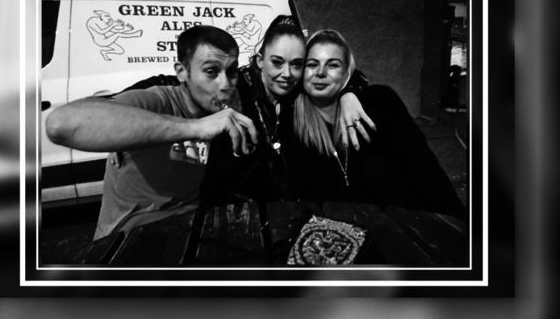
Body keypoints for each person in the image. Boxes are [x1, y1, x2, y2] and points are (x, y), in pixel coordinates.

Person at [122, 15, 376, 204]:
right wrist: (125, 114)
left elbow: (343, 73)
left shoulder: (295, 88)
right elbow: (170, 82)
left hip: (280, 208)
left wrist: (350, 94)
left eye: (297, 64)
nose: (287, 73)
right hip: (228, 208)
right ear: (260, 61)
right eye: (277, 62)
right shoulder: (237, 84)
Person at [46, 25, 258, 240]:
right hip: (129, 239)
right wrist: (196, 128)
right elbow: (60, 124)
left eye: (232, 72)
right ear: (182, 72)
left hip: (188, 228)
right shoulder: (158, 101)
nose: (225, 84)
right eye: (211, 71)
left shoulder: (223, 112)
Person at [287, 29, 467, 221]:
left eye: (333, 65)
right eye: (312, 64)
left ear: (347, 72)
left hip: (405, 226)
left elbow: (426, 172)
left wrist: (459, 225)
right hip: (337, 234)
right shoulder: (292, 123)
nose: (321, 73)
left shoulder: (381, 103)